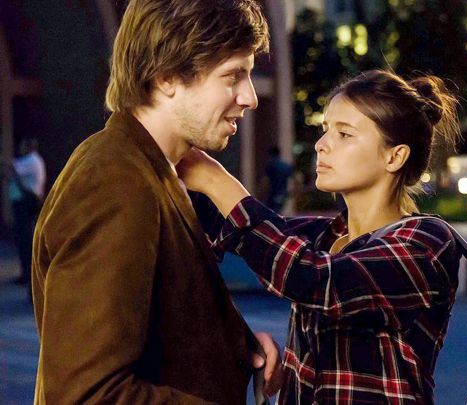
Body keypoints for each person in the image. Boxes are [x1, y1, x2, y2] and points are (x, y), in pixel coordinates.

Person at [31, 1, 280, 403]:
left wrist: (238, 346)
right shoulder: (114, 181)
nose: (249, 97)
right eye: (233, 76)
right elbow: (88, 394)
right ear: (167, 78)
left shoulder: (156, 170)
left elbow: (161, 324)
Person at [178, 70, 463, 404]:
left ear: (394, 156)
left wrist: (216, 181)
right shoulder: (326, 236)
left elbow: (313, 279)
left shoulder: (426, 242)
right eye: (326, 129)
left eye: (344, 134)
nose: (321, 145)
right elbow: (232, 228)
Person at [8, 137, 46, 286]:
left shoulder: (31, 160)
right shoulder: (34, 160)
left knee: (25, 240)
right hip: (27, 203)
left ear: (29, 147)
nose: (20, 149)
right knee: (25, 238)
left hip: (26, 204)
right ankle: (26, 274)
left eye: (23, 146)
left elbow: (11, 167)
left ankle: (28, 276)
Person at [264, 146, 294, 212]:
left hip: (272, 193)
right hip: (283, 193)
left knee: (271, 212)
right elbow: (296, 178)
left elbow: (266, 180)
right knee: (278, 211)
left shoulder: (270, 164)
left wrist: (261, 191)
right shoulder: (285, 165)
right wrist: (294, 191)